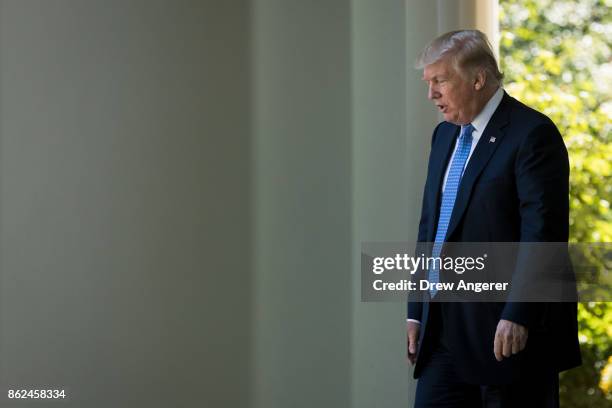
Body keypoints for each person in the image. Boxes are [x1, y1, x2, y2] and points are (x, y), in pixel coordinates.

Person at [406, 30, 581, 407]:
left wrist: (519, 313)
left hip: (507, 338)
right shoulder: (443, 137)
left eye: (440, 81)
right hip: (442, 335)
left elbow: (544, 234)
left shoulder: (532, 134)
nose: (431, 94)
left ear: (478, 78)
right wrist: (416, 311)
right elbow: (431, 226)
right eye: (428, 82)